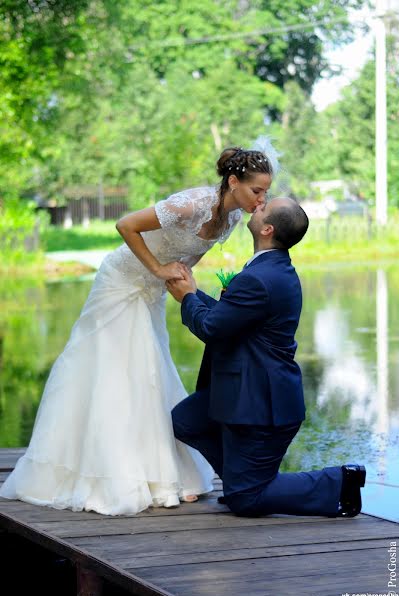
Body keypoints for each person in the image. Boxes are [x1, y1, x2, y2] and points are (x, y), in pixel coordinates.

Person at [0, 145, 276, 516]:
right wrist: (159, 271)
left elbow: (185, 257)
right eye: (257, 190)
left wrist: (180, 279)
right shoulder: (190, 205)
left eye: (266, 192)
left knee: (149, 372)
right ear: (233, 182)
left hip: (151, 293)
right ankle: (107, 473)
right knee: (110, 371)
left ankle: (162, 475)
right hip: (121, 282)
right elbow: (125, 225)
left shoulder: (228, 221)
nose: (263, 198)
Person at [167, 197, 366, 518]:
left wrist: (188, 298)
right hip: (245, 392)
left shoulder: (259, 278)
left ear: (267, 228)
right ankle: (239, 481)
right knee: (187, 420)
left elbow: (212, 328)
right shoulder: (269, 269)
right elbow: (230, 318)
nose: (256, 205)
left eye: (262, 208)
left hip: (262, 405)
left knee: (246, 500)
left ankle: (340, 481)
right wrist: (193, 293)